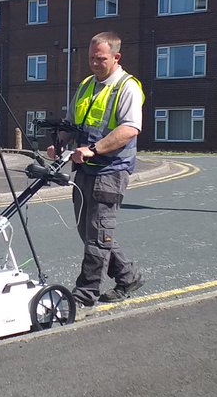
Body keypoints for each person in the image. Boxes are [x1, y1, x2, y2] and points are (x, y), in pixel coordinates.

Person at [49, 31, 146, 312]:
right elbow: (71, 122)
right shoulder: (86, 85)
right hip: (85, 169)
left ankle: (84, 295)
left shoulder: (127, 87)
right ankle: (128, 277)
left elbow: (129, 129)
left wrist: (95, 149)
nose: (94, 63)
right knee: (88, 229)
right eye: (91, 57)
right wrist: (59, 144)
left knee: (97, 233)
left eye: (100, 58)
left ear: (116, 57)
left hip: (112, 169)